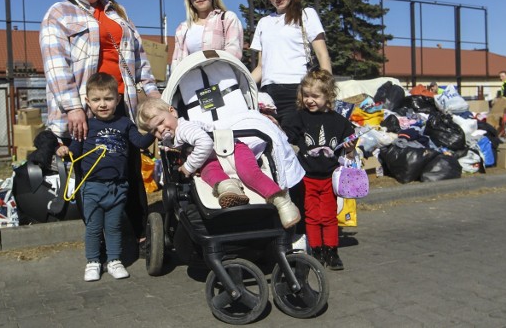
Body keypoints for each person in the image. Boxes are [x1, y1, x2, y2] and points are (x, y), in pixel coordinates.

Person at [40, 0, 161, 254]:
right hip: (87, 109)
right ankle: (101, 241)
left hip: (123, 106)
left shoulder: (117, 13)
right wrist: (74, 107)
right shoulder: (59, 13)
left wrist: (154, 99)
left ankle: (141, 238)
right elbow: (56, 66)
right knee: (93, 176)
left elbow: (140, 61)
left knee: (130, 172)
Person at [137, 98, 301, 228]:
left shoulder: (184, 128)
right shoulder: (172, 138)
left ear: (172, 112)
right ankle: (229, 189)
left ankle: (283, 202)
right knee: (209, 172)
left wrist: (188, 166)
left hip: (233, 148)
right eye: (154, 130)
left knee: (249, 173)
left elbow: (205, 143)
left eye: (161, 122)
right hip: (212, 159)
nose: (160, 130)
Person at [56, 73, 155, 281]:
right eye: (96, 100)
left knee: (114, 226)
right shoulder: (85, 126)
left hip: (118, 187)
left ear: (118, 100)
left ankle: (114, 260)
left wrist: (155, 130)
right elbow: (74, 151)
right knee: (93, 227)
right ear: (88, 102)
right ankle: (92, 261)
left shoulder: (125, 123)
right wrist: (64, 150)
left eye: (108, 99)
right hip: (92, 187)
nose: (102, 104)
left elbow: (140, 143)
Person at [282, 70, 356, 270]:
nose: (309, 100)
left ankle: (331, 251)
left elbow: (351, 138)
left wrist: (351, 147)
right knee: (312, 216)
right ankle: (315, 251)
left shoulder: (338, 120)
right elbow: (285, 134)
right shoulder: (299, 117)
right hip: (307, 178)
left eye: (315, 96)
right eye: (306, 95)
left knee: (330, 215)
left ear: (329, 95)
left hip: (330, 177)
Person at [250, 0, 332, 126]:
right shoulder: (263, 23)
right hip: (267, 96)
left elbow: (323, 56)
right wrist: (241, 86)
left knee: (292, 142)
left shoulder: (306, 14)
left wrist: (326, 91)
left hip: (296, 92)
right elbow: (261, 66)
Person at [171, 0, 244, 69]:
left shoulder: (227, 19)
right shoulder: (182, 29)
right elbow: (176, 64)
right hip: (193, 82)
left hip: (223, 81)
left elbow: (234, 53)